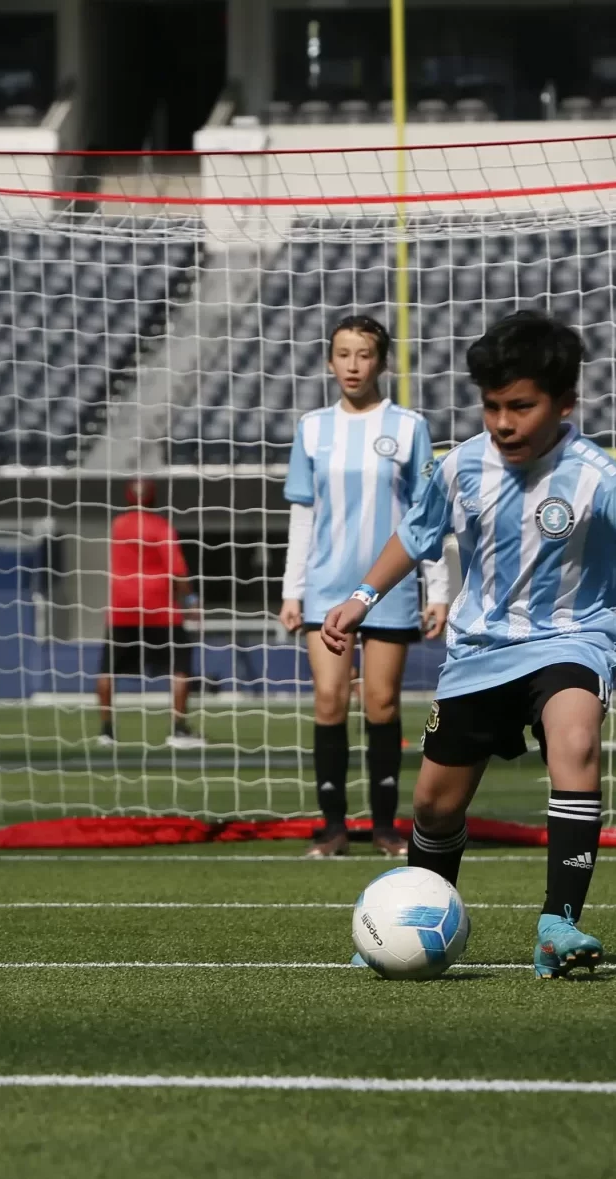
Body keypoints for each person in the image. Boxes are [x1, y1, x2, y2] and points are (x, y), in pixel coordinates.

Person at [321, 310, 616, 977]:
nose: (504, 422)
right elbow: (415, 537)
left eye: (522, 407)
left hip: (570, 642)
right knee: (433, 805)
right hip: (478, 653)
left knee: (576, 738)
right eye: (493, 406)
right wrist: (361, 598)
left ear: (564, 404)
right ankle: (416, 910)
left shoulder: (605, 482)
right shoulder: (461, 468)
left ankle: (559, 924)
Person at [280, 314, 449, 859]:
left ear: (381, 361)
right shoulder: (311, 428)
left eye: (364, 354)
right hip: (326, 589)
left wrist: (438, 590)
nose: (353, 365)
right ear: (330, 361)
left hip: (391, 590)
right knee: (329, 699)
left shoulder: (407, 427)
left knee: (381, 703)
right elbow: (302, 517)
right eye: (343, 354)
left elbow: (428, 515)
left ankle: (383, 827)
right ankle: (331, 829)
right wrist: (292, 590)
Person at [97, 478, 204, 749]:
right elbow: (178, 570)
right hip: (160, 609)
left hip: (122, 607)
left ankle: (106, 732)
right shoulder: (161, 527)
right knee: (180, 666)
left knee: (108, 669)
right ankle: (178, 730)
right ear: (155, 498)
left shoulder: (118, 526)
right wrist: (190, 601)